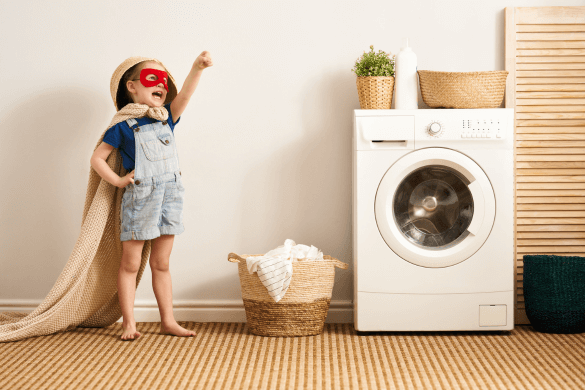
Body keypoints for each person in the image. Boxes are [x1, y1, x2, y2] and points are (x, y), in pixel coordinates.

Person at [90, 53, 213, 340]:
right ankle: (129, 323)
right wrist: (119, 180)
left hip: (170, 196)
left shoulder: (167, 117)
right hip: (141, 198)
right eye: (151, 78)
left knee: (162, 263)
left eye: (163, 80)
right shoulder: (123, 125)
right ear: (132, 86)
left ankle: (168, 321)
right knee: (130, 263)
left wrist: (196, 68)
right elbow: (97, 158)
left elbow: (185, 95)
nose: (160, 84)